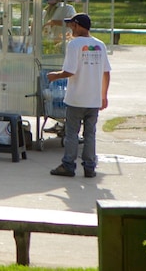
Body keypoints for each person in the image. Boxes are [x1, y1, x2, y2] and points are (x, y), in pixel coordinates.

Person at [47, 13, 111, 178]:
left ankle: (68, 165)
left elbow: (69, 71)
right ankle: (89, 167)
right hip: (94, 99)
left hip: (76, 98)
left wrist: (55, 75)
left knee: (72, 133)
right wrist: (104, 95)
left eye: (71, 25)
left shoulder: (74, 45)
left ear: (77, 25)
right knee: (90, 134)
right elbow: (106, 73)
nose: (70, 28)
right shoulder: (100, 45)